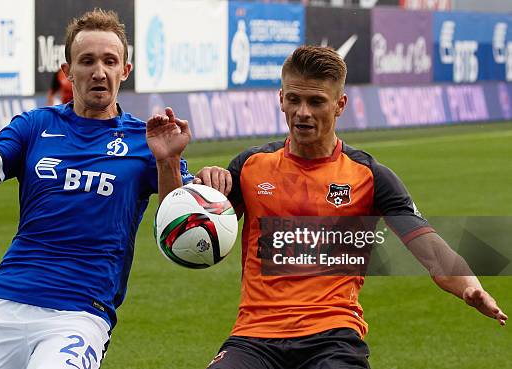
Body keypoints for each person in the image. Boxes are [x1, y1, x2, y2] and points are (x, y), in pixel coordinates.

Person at [194, 45, 507, 369]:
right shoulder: (249, 166)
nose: (302, 111)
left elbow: (431, 250)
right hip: (253, 338)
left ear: (340, 104)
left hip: (332, 339)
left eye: (316, 101)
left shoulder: (370, 176)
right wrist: (185, 173)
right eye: (294, 99)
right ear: (281, 98)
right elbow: (187, 231)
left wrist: (471, 286)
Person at [0, 8, 192, 369]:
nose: (98, 71)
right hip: (2, 303)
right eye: (86, 61)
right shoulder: (34, 125)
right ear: (67, 72)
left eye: (110, 61)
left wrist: (168, 161)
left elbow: (177, 223)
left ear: (125, 71)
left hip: (79, 313)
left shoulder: (147, 140)